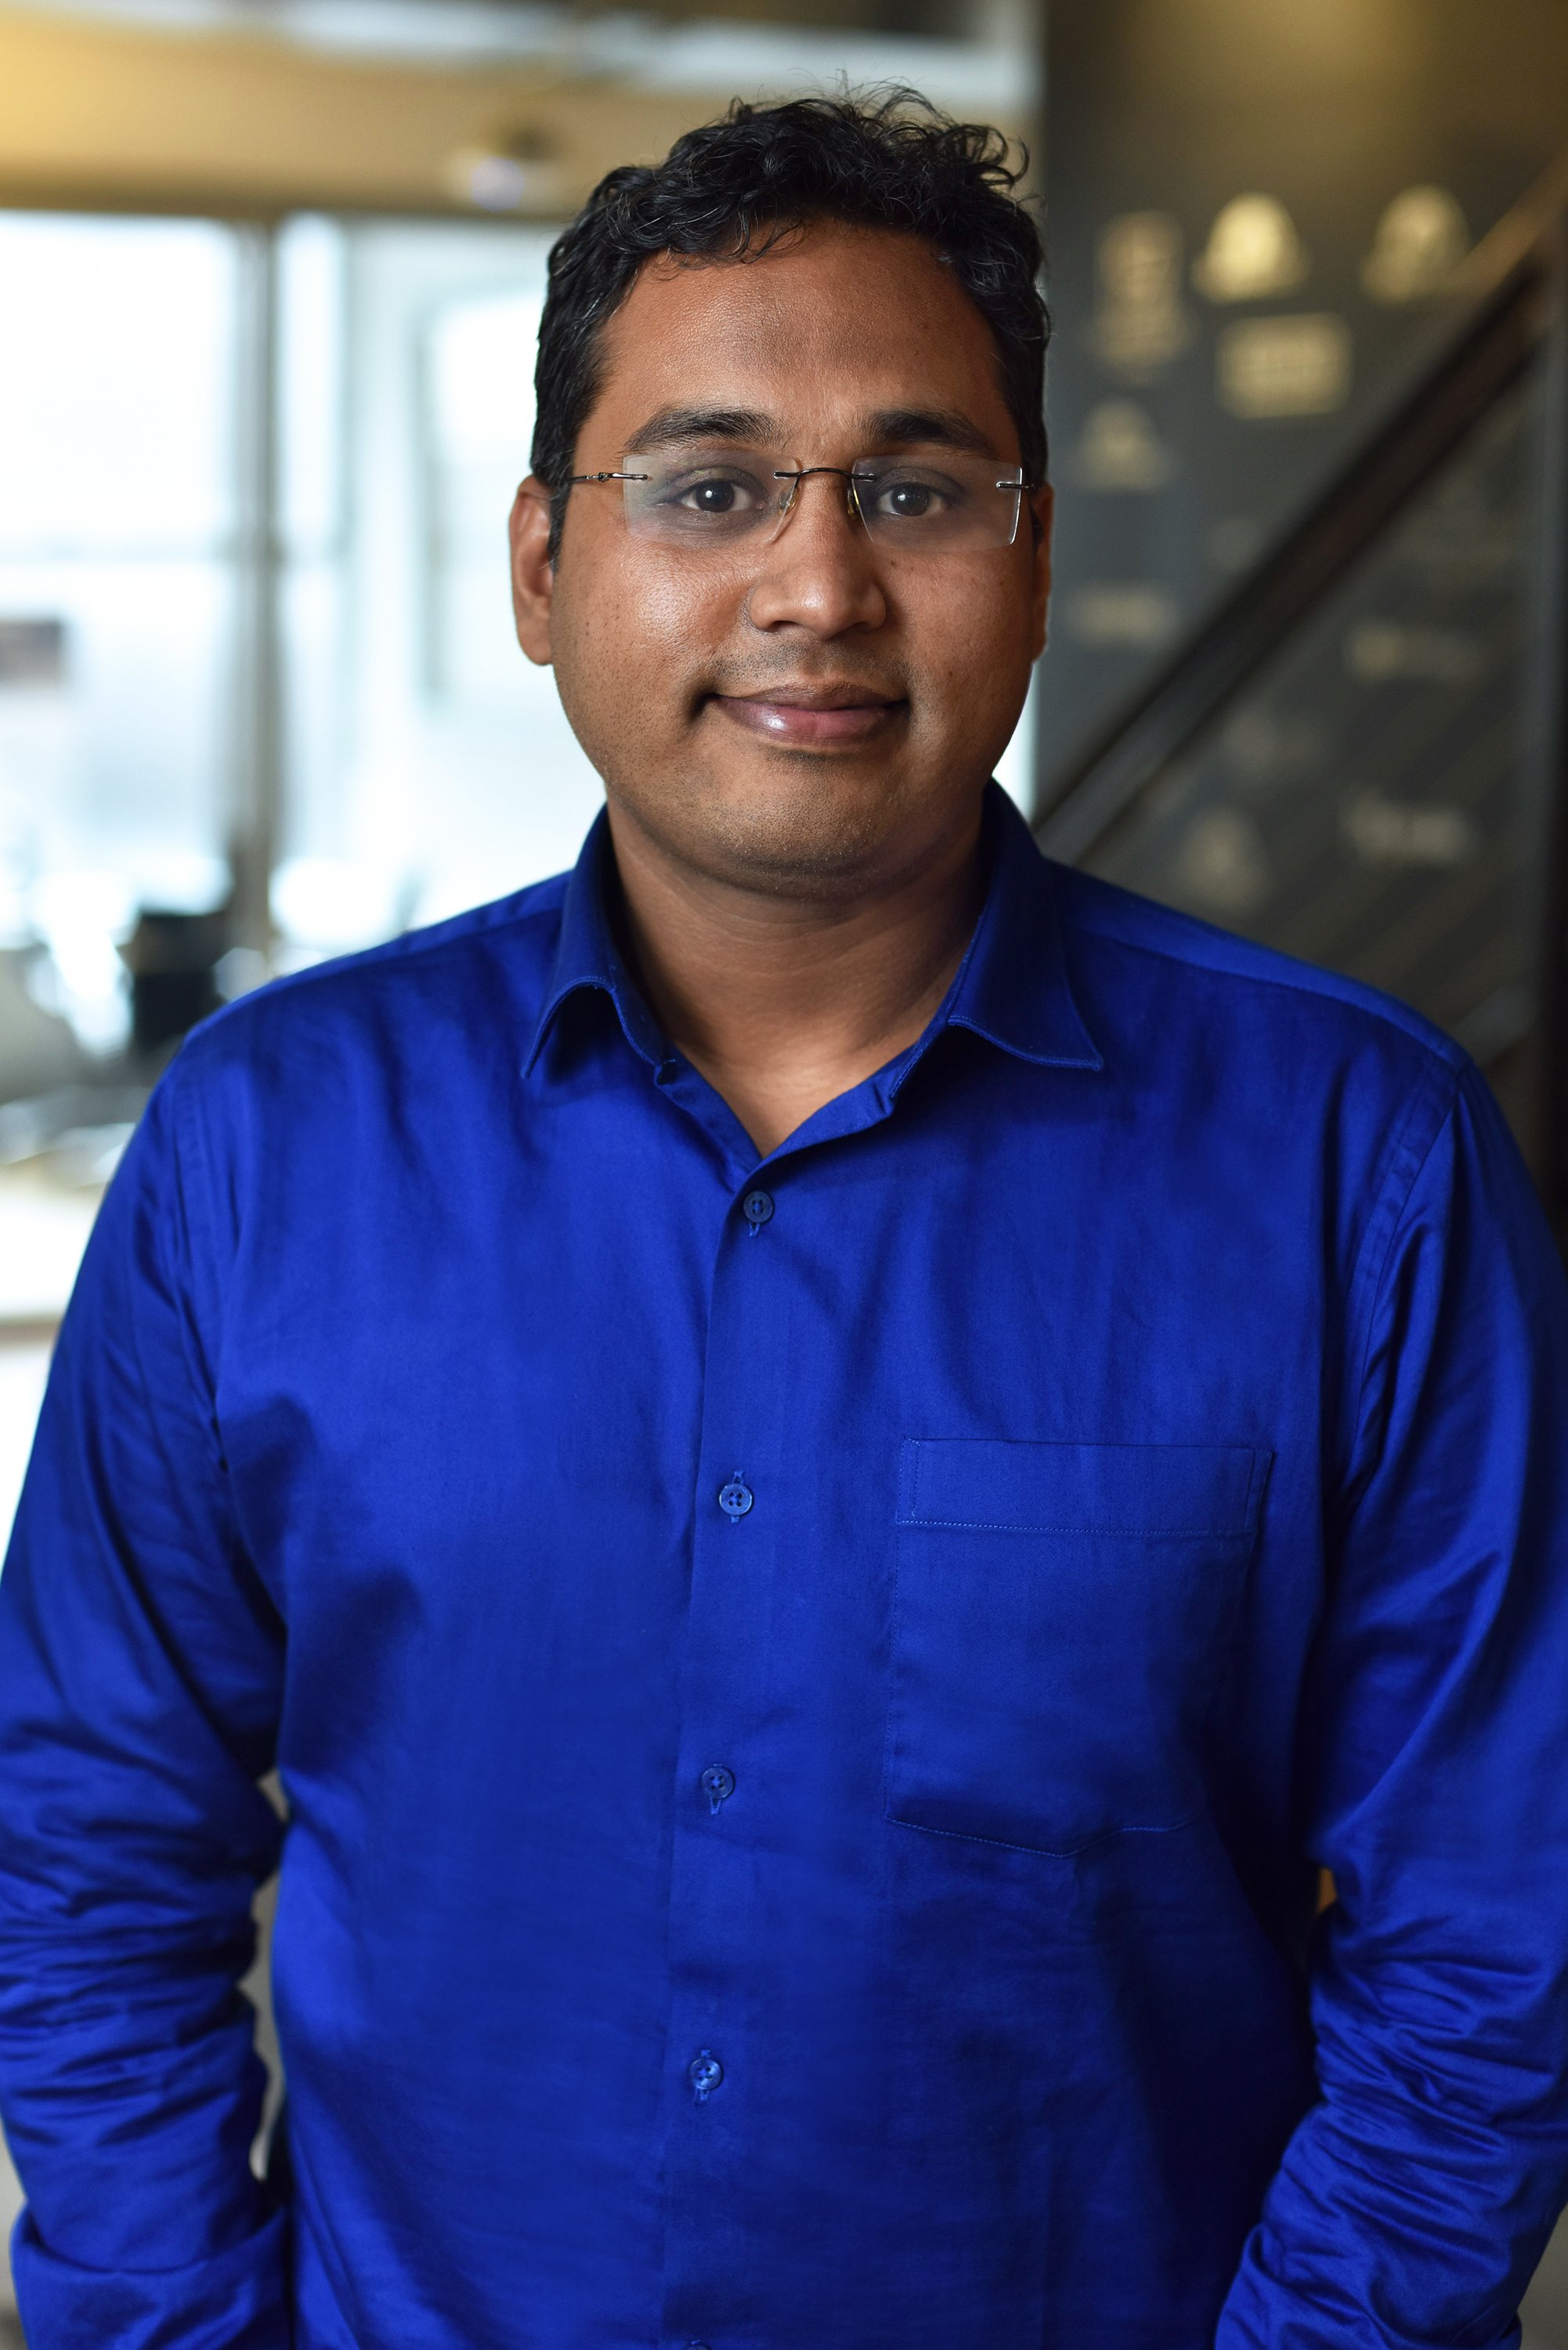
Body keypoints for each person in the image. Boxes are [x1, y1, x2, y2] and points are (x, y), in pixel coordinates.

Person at [2, 89, 1566, 2350]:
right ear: (542, 567)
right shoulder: (269, 1144)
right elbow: (85, 1850)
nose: (815, 587)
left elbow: (1493, 1935)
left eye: (914, 491)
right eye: (709, 487)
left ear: (1032, 558)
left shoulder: (1358, 1157)